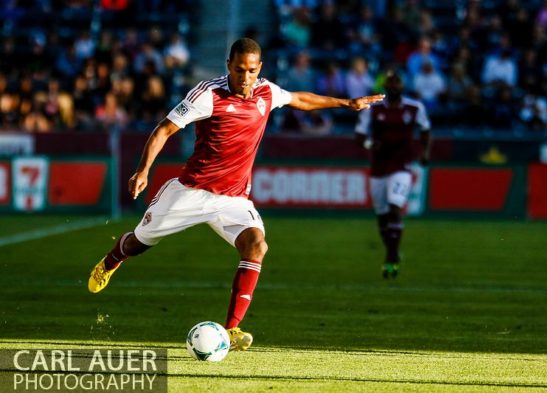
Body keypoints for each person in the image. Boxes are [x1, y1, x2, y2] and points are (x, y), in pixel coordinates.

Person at [87, 38, 383, 351]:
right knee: (138, 243)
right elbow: (164, 129)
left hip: (234, 199)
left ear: (260, 69)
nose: (245, 77)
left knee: (256, 246)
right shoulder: (208, 94)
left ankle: (231, 330)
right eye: (239, 69)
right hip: (190, 192)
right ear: (229, 65)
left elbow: (300, 99)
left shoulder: (267, 92)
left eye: (252, 70)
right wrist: (144, 170)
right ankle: (111, 260)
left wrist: (346, 104)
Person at [355, 69, 431, 279]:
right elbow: (360, 136)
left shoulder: (415, 108)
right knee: (381, 216)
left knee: (394, 206)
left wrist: (425, 153)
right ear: (385, 86)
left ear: (403, 86)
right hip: (379, 166)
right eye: (391, 83)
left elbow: (425, 130)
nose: (394, 86)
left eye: (397, 82)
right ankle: (392, 250)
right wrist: (372, 143)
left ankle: (391, 256)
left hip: (402, 166)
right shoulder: (373, 109)